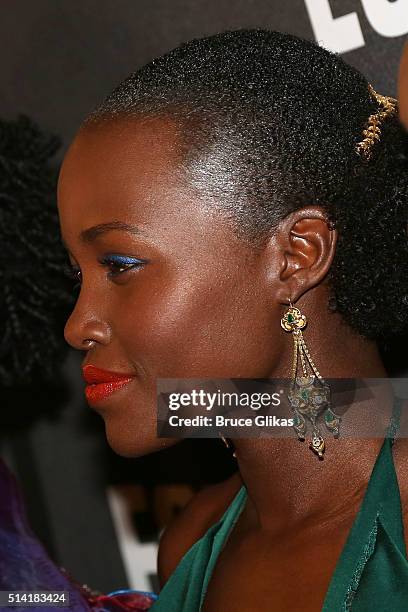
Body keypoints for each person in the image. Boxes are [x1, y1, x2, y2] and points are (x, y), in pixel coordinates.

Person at [57, 29, 408, 610]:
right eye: (78, 276)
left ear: (297, 255)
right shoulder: (191, 543)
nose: (78, 325)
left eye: (120, 265)